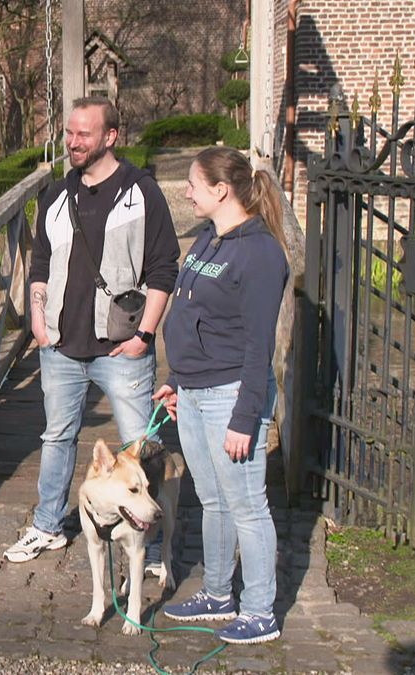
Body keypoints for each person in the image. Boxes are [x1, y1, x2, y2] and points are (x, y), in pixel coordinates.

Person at [3, 96, 180, 564]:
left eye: (84, 134)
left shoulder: (141, 192)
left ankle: (151, 540)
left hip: (121, 347)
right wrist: (38, 317)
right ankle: (48, 525)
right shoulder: (57, 195)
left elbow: (164, 270)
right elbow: (40, 261)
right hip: (60, 345)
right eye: (69, 132)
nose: (73, 142)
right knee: (56, 437)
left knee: (142, 446)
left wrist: (143, 336)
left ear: (110, 136)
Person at [154, 147, 289, 645]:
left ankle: (260, 611)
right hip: (193, 392)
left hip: (231, 395)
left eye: (192, 184)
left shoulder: (259, 253)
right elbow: (193, 315)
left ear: (220, 189)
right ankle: (217, 594)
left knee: (247, 505)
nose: (187, 192)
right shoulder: (210, 239)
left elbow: (260, 345)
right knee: (211, 500)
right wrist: (178, 377)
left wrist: (245, 416)